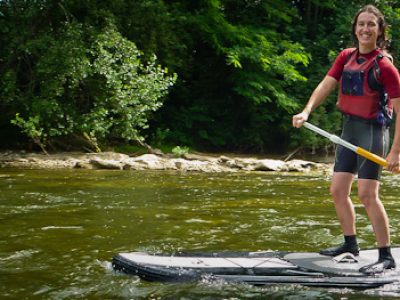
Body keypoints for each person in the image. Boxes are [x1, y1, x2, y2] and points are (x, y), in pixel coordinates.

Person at [292, 4, 400, 274]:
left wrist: (395, 152)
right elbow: (326, 84)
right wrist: (306, 111)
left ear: (379, 30)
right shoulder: (345, 57)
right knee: (338, 190)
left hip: (373, 132)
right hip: (349, 130)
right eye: (361, 24)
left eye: (371, 25)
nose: (365, 29)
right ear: (355, 28)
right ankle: (350, 244)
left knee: (367, 194)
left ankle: (386, 256)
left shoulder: (385, 67)